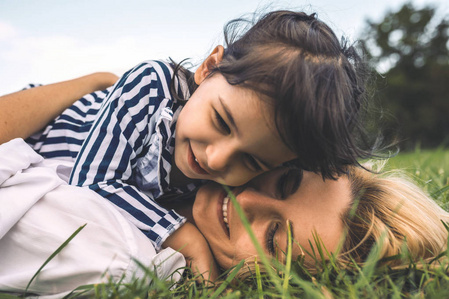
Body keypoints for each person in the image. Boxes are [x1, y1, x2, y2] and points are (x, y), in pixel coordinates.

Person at [0, 10, 374, 279]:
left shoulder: (222, 182)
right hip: (39, 132)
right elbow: (92, 182)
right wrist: (182, 235)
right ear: (210, 67)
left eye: (253, 161)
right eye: (220, 121)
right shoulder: (150, 88)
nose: (216, 159)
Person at [1, 138, 447, 298]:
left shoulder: (119, 255)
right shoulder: (177, 152)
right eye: (285, 182)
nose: (249, 198)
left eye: (274, 239)